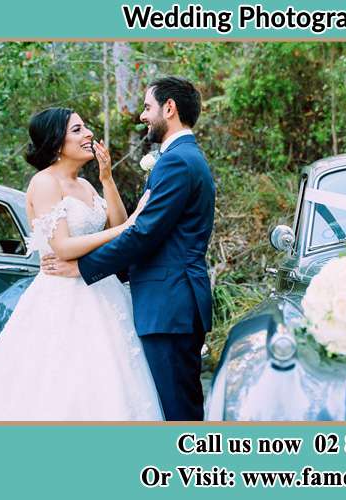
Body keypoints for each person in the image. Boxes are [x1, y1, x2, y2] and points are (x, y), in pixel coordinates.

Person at [0, 107, 162, 421]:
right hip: (63, 296)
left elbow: (119, 226)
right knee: (59, 382)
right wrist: (124, 228)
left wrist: (107, 180)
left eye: (85, 127)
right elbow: (63, 247)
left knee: (110, 379)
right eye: (77, 130)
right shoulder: (44, 183)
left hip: (102, 293)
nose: (89, 134)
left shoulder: (86, 185)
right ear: (56, 143)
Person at [42, 77, 216, 421]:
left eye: (148, 107)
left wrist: (81, 269)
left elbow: (143, 233)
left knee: (177, 412)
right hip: (168, 303)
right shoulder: (181, 157)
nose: (142, 116)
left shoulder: (178, 161)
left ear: (170, 109)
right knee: (171, 405)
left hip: (170, 305)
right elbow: (141, 231)